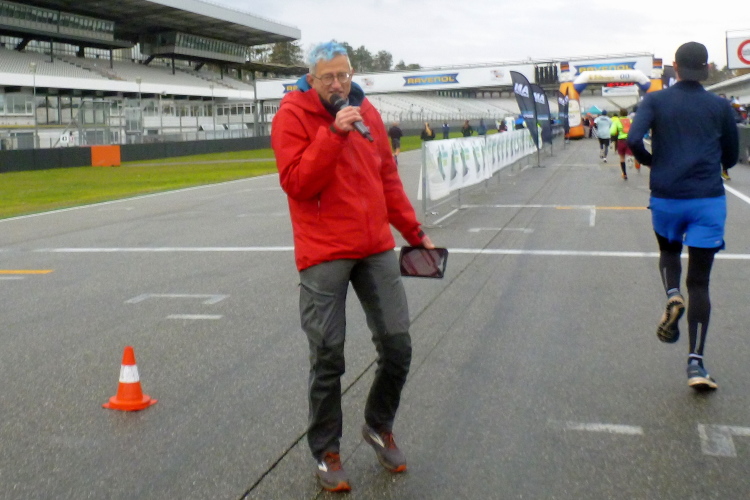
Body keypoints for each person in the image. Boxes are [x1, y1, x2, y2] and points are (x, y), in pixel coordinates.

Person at [270, 40, 435, 492]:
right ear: (312, 79)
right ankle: (326, 451)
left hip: (374, 244)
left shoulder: (368, 113)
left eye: (344, 75)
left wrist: (414, 232)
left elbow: (387, 179)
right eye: (329, 77)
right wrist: (333, 134)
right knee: (328, 355)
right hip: (323, 250)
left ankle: (379, 425)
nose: (339, 84)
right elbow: (297, 183)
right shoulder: (292, 115)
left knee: (398, 344)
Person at [627, 41, 739, 391]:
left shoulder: (655, 100)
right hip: (707, 199)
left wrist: (653, 163)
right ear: (705, 69)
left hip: (667, 197)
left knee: (669, 251)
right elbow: (732, 155)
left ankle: (672, 293)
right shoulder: (720, 106)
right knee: (700, 283)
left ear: (675, 67)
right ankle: (696, 364)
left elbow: (633, 139)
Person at [610, 108, 635, 179]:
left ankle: (624, 174)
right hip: (630, 139)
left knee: (622, 157)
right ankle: (630, 158)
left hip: (621, 140)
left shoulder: (617, 121)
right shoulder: (631, 120)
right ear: (627, 114)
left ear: (620, 114)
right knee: (630, 153)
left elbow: (612, 132)